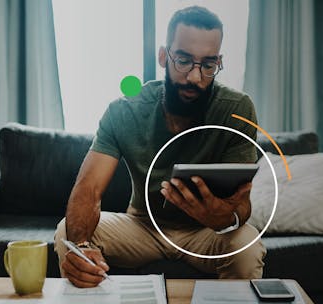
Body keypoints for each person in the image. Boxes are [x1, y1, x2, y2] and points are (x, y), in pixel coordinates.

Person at [54, 5, 266, 288]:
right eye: (183, 60)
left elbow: (241, 205)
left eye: (208, 64)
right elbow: (88, 188)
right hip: (142, 226)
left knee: (248, 246)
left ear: (219, 62)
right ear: (164, 56)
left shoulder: (237, 109)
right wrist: (79, 246)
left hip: (206, 232)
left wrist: (224, 217)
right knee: (64, 233)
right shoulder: (124, 110)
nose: (195, 77)